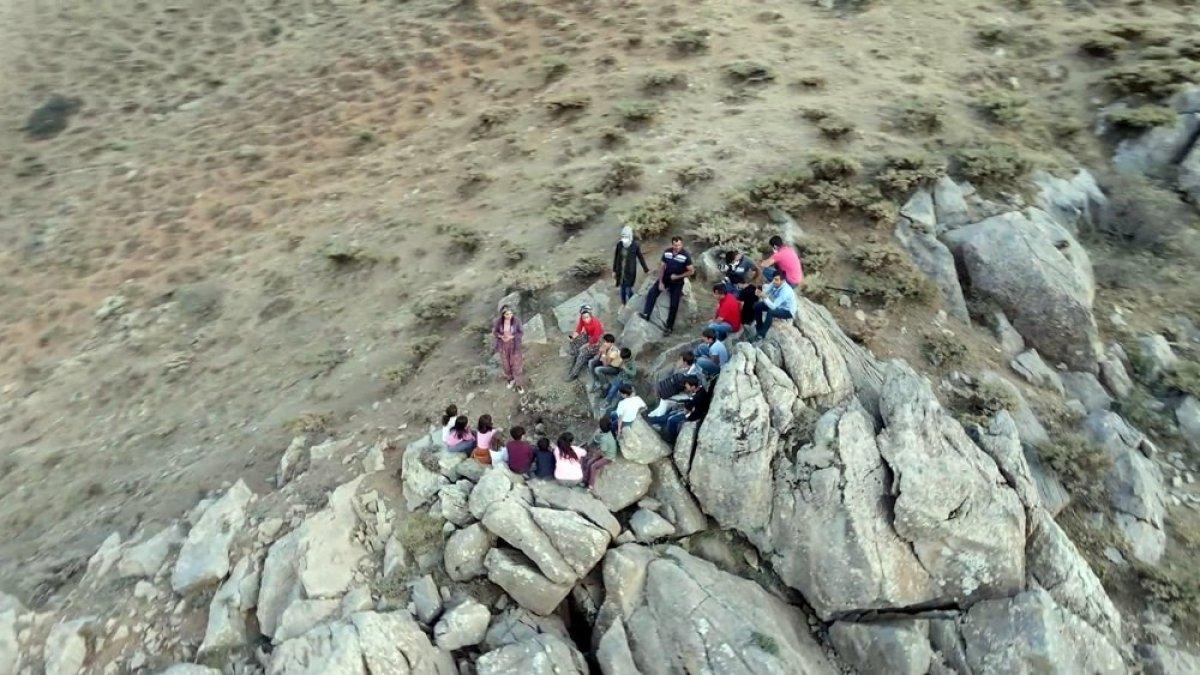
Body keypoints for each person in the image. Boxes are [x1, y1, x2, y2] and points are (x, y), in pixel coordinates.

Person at [637, 236, 694, 336]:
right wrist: (660, 282)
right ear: (672, 244)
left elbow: (691, 271)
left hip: (677, 282)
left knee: (674, 304)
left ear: (682, 244)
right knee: (652, 292)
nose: (677, 247)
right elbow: (662, 267)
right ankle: (646, 314)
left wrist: (677, 276)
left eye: (679, 245)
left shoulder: (685, 255)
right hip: (666, 277)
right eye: (675, 245)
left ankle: (669, 327)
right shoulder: (667, 252)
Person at [650, 376, 710, 443]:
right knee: (672, 413)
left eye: (687, 386)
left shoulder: (697, 397)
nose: (686, 387)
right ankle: (654, 420)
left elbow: (686, 409)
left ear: (693, 386)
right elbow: (690, 405)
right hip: (694, 410)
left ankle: (671, 439)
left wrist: (685, 408)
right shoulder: (701, 389)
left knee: (671, 420)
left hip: (694, 415)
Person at [754, 271, 798, 341]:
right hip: (778, 305)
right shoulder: (775, 282)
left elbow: (773, 306)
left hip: (787, 310)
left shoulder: (785, 291)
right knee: (757, 306)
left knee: (771, 312)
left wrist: (764, 297)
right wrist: (760, 293)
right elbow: (766, 291)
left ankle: (761, 335)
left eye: (776, 280)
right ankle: (759, 326)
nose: (774, 281)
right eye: (774, 279)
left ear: (783, 281)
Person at [613, 225, 650, 305]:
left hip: (630, 272)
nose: (624, 238)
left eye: (626, 236)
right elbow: (616, 258)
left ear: (630, 236)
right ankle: (624, 304)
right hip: (620, 271)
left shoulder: (635, 245)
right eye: (623, 236)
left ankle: (632, 303)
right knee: (622, 289)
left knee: (628, 289)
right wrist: (614, 270)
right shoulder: (619, 244)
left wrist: (646, 269)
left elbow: (640, 258)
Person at [567, 306, 605, 381]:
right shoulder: (582, 319)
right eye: (584, 318)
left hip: (597, 342)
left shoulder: (595, 323)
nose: (585, 319)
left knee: (583, 352)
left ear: (590, 315)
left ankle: (574, 373)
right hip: (588, 336)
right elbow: (578, 329)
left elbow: (595, 338)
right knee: (574, 343)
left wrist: (585, 345)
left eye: (587, 317)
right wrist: (573, 338)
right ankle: (576, 358)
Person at [492, 305, 524, 390]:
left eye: (511, 314)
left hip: (514, 346)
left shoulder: (516, 321)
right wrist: (500, 336)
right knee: (506, 365)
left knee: (516, 365)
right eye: (507, 314)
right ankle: (510, 380)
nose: (509, 316)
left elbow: (521, 332)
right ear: (503, 315)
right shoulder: (498, 322)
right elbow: (495, 332)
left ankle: (519, 384)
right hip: (503, 346)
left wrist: (512, 336)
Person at [583, 416, 618, 487]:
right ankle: (585, 479)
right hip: (606, 453)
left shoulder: (604, 439)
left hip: (608, 457)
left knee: (593, 466)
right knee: (589, 461)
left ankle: (591, 485)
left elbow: (602, 451)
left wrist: (595, 454)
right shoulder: (609, 432)